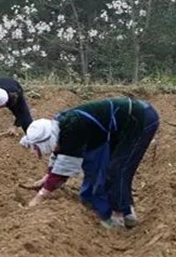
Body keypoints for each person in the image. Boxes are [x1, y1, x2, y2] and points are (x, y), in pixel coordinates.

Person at [19, 97, 159, 229]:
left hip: (140, 118)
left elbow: (62, 174)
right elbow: (58, 154)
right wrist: (47, 176)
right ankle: (127, 211)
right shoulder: (59, 126)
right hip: (124, 123)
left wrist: (40, 197)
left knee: (118, 169)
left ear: (46, 141)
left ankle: (118, 217)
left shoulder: (73, 130)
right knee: (115, 168)